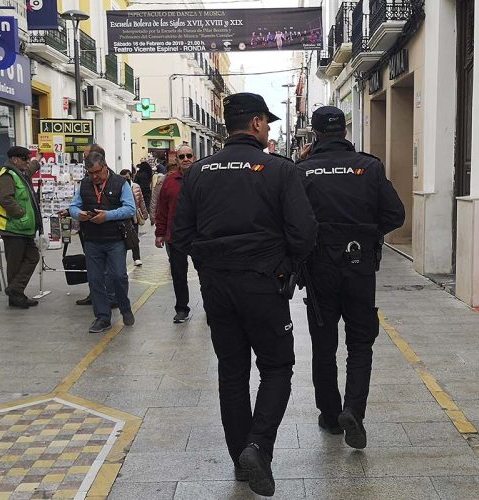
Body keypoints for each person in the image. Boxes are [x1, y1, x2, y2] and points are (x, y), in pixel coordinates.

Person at [172, 93, 317, 497]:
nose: (269, 128)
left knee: (231, 371)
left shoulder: (197, 172)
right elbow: (304, 234)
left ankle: (241, 460)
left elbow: (179, 236)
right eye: (266, 122)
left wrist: (209, 265)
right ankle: (258, 447)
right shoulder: (278, 169)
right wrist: (284, 264)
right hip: (264, 283)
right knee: (277, 366)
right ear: (255, 123)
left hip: (217, 287)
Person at [297, 106, 405, 449]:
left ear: (314, 134)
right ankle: (354, 410)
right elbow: (395, 214)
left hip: (318, 269)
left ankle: (331, 417)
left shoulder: (302, 170)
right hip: (359, 265)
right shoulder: (368, 166)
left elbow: (293, 223)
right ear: (344, 131)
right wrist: (368, 234)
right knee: (360, 343)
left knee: (324, 345)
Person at [69, 152, 136, 333]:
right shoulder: (84, 184)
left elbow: (130, 209)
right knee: (95, 279)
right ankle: (102, 317)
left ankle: (125, 307)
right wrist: (78, 214)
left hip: (115, 239)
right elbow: (73, 206)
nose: (94, 176)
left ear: (105, 167)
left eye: (97, 172)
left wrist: (107, 216)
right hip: (92, 240)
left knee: (118, 276)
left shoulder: (121, 183)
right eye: (90, 173)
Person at [0, 146, 43, 309]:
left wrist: (38, 159)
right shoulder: (8, 175)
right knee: (15, 264)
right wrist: (20, 214)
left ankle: (15, 290)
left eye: (28, 159)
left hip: (24, 229)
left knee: (32, 257)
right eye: (25, 159)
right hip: (13, 227)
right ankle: (16, 296)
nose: (27, 162)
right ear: (15, 159)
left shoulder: (20, 173)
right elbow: (4, 198)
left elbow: (30, 169)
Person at [155, 145, 196, 324]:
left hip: (199, 236)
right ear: (176, 160)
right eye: (182, 156)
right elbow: (162, 208)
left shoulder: (202, 177)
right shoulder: (169, 181)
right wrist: (160, 233)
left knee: (206, 274)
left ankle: (211, 308)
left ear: (193, 158)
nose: (185, 159)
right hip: (176, 236)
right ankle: (182, 309)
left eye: (189, 155)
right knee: (178, 275)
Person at [120, 168, 147, 266]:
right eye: (123, 178)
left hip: (134, 216)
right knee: (123, 238)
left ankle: (137, 258)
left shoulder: (136, 187)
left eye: (127, 177)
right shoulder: (119, 187)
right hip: (123, 217)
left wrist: (144, 213)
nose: (125, 179)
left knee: (134, 237)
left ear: (131, 177)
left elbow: (141, 201)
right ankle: (121, 258)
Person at [150, 161, 178, 225]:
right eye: (171, 172)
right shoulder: (161, 182)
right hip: (163, 214)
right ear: (167, 172)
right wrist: (152, 216)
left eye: (175, 172)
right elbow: (154, 200)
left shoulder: (180, 180)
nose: (173, 174)